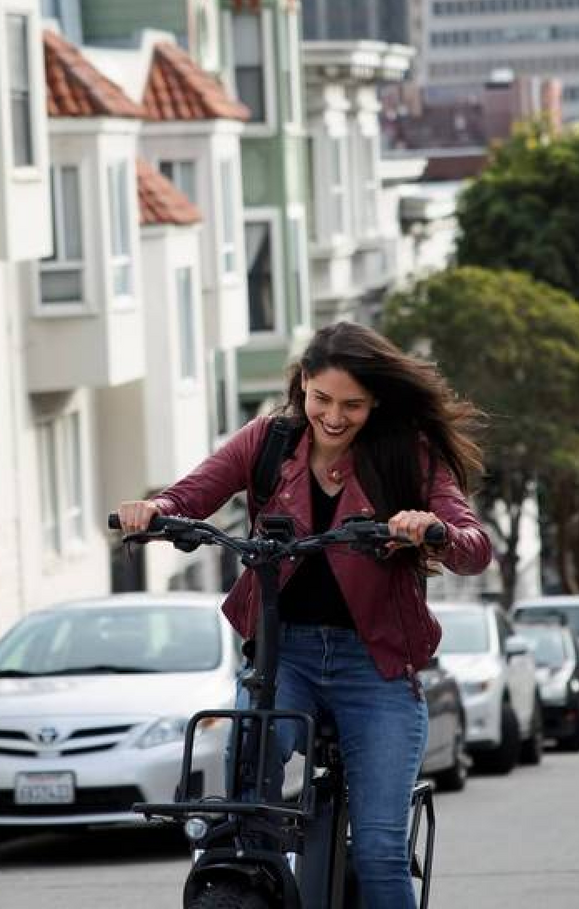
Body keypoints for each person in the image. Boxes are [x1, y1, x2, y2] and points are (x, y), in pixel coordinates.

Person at [117, 321, 490, 909]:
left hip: (375, 668)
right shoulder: (268, 441)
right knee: (249, 804)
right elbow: (189, 496)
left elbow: (474, 544)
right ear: (302, 386)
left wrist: (432, 530)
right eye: (321, 399)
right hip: (283, 654)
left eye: (353, 405)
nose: (334, 417)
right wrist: (156, 509)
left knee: (379, 854)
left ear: (375, 403)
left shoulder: (405, 454)